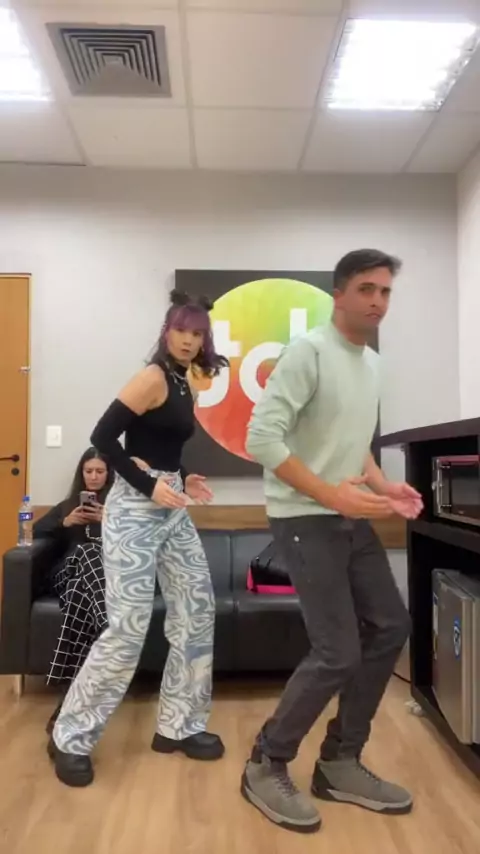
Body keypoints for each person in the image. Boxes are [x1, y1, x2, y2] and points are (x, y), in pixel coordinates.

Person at [241, 249, 423, 834]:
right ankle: (266, 761)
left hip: (348, 516)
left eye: (386, 291)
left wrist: (382, 485)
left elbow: (352, 440)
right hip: (303, 517)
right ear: (339, 294)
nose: (378, 301)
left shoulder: (370, 364)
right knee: (337, 652)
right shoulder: (309, 352)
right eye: (367, 289)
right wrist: (331, 495)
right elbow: (261, 439)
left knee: (391, 626)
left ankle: (340, 760)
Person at [47, 289, 228, 788]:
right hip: (133, 509)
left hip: (171, 504)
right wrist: (148, 485)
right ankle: (70, 736)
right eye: (181, 331)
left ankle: (179, 725)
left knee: (197, 611)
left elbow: (160, 446)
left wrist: (183, 477)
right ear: (166, 332)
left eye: (197, 333)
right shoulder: (151, 377)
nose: (188, 340)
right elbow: (103, 437)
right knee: (127, 629)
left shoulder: (185, 382)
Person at [33, 447, 114, 734]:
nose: (93, 476)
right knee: (88, 552)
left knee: (82, 585)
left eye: (99, 471)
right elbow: (35, 532)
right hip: (66, 574)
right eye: (88, 471)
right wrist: (64, 523)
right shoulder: (67, 505)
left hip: (94, 583)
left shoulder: (117, 508)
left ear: (109, 475)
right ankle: (107, 624)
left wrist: (109, 521)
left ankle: (67, 703)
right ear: (81, 473)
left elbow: (138, 543)